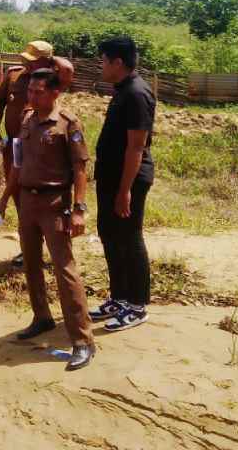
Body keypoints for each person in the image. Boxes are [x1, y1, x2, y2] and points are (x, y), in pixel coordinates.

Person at [0, 69, 94, 370]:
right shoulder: (26, 120)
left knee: (65, 270)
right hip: (28, 201)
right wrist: (5, 198)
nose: (31, 97)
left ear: (55, 93)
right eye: (29, 91)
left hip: (55, 203)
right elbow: (18, 166)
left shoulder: (67, 124)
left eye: (37, 92)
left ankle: (83, 340)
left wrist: (78, 209)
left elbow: (80, 170)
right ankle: (42, 317)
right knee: (31, 263)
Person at [0, 41, 75, 268]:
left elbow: (68, 69)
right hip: (14, 146)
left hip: (42, 149)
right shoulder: (14, 76)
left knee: (44, 198)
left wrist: (51, 60)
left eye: (32, 60)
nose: (25, 63)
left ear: (46, 61)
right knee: (17, 192)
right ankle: (29, 247)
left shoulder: (54, 78)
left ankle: (50, 248)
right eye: (25, 58)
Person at [91, 36, 155, 332]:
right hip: (112, 179)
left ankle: (137, 305)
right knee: (110, 234)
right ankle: (119, 297)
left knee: (129, 238)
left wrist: (125, 190)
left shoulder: (137, 94)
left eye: (103, 60)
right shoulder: (122, 91)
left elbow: (136, 147)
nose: (100, 65)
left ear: (118, 62)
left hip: (127, 181)